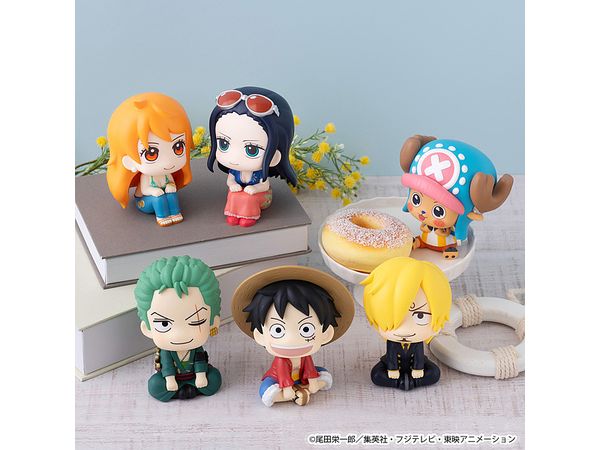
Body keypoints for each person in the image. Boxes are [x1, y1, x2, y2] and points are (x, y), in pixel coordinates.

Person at [231, 266, 354, 406]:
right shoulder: (281, 361)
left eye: (306, 329)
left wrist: (313, 382)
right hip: (278, 380)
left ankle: (299, 392)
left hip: (301, 378)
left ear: (326, 334)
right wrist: (288, 389)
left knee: (323, 373)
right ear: (260, 336)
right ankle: (296, 394)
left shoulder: (306, 356)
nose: (291, 339)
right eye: (278, 330)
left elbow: (310, 369)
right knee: (266, 390)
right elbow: (282, 374)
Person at [134, 256, 222, 401]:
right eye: (164, 324)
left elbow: (200, 361)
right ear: (147, 328)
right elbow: (167, 366)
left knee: (214, 378)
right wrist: (170, 380)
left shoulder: (197, 349)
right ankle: (180, 390)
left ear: (213, 323)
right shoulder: (166, 352)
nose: (180, 334)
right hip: (172, 381)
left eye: (196, 322)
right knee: (155, 385)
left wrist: (201, 376)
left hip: (195, 378)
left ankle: (191, 388)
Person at [361, 257, 452, 390]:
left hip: (417, 366)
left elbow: (419, 354)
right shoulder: (392, 342)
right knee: (376, 375)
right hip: (392, 366)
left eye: (420, 316)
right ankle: (402, 383)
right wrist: (392, 369)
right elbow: (391, 354)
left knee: (434, 373)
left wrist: (418, 368)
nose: (405, 331)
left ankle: (410, 382)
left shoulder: (417, 342)